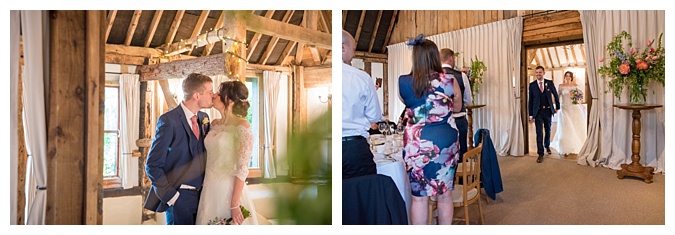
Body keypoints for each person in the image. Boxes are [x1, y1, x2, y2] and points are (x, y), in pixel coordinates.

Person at [398, 35, 462, 225]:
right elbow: (457, 108)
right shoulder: (449, 81)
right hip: (445, 143)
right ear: (435, 57)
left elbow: (407, 103)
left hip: (416, 143)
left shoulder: (403, 81)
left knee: (419, 197)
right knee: (444, 196)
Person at [144, 73, 214, 225]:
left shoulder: (204, 118)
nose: (213, 95)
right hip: (179, 196)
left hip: (204, 197)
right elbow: (152, 165)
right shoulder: (168, 121)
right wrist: (172, 197)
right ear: (196, 95)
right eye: (210, 92)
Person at [196, 80, 259, 225]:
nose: (214, 95)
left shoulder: (242, 125)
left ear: (229, 101)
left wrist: (234, 204)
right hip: (209, 189)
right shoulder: (214, 124)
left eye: (218, 93)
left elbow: (242, 168)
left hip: (229, 190)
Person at [342, 29, 382, 179]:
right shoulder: (360, 77)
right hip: (354, 149)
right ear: (343, 47)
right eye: (353, 49)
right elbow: (374, 116)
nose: (354, 54)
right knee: (362, 195)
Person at [440, 48, 472, 158]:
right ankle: (463, 174)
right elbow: (468, 100)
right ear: (451, 58)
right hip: (459, 120)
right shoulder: (461, 76)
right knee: (462, 153)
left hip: (442, 122)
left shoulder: (434, 76)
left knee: (445, 155)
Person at [549, 71, 587, 156]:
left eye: (569, 76)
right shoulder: (561, 86)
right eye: (566, 76)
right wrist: (557, 107)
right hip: (564, 108)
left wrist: (581, 106)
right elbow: (557, 98)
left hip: (573, 108)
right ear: (564, 77)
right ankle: (565, 145)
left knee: (574, 126)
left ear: (572, 77)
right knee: (565, 126)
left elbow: (577, 98)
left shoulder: (575, 86)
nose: (568, 77)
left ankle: (575, 143)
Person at [528, 66, 560, 163]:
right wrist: (530, 114)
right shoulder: (532, 85)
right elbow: (531, 100)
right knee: (539, 132)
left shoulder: (549, 83)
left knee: (548, 130)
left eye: (540, 72)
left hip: (548, 111)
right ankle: (540, 153)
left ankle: (547, 145)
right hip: (537, 112)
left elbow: (555, 94)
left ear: (544, 73)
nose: (538, 74)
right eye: (536, 72)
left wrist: (557, 106)